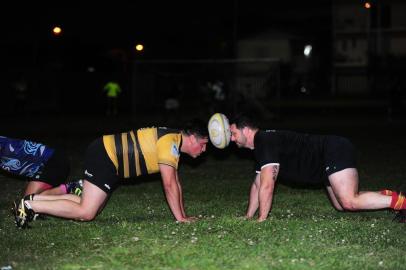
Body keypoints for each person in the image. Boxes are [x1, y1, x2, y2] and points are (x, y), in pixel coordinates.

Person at [13, 119, 209, 228]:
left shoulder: (172, 139)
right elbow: (169, 184)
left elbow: (174, 182)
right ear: (192, 138)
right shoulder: (171, 142)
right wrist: (181, 219)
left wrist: (183, 216)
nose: (203, 150)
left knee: (89, 209)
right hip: (106, 156)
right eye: (203, 144)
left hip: (107, 156)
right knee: (86, 212)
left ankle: (33, 200)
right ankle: (29, 205)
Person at [229, 114, 406, 222]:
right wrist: (249, 216)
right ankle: (393, 197)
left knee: (349, 201)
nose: (231, 138)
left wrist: (262, 220)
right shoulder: (263, 145)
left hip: (332, 150)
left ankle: (403, 203)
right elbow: (258, 185)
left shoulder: (264, 141)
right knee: (341, 206)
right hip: (322, 164)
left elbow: (268, 186)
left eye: (234, 133)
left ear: (246, 130)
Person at [1, 136, 82, 197]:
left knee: (28, 204)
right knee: (27, 204)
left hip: (53, 163)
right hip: (42, 168)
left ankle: (70, 188)